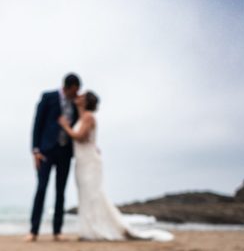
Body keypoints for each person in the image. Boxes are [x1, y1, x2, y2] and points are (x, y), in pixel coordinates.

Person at [58, 91, 173, 242]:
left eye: (82, 96)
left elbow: (81, 137)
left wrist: (65, 127)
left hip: (89, 162)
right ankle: (89, 230)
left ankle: (95, 230)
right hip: (82, 160)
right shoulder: (82, 117)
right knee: (86, 195)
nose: (78, 97)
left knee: (93, 195)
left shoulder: (88, 117)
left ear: (86, 101)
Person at [27, 73, 80, 242]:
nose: (76, 93)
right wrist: (35, 150)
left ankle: (57, 231)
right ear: (68, 87)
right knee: (41, 189)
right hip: (46, 151)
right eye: (75, 90)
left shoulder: (75, 104)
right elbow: (37, 123)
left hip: (65, 152)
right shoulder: (48, 97)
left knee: (60, 192)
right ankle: (33, 231)